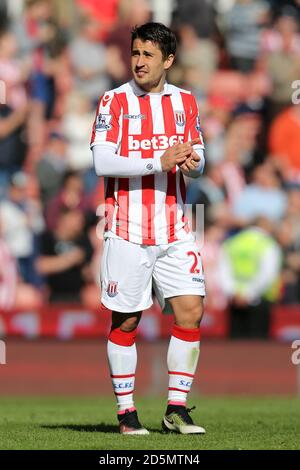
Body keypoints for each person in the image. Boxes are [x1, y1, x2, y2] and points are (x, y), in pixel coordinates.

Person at [91, 22, 206, 435]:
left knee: (191, 310)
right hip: (126, 225)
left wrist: (193, 162)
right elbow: (102, 163)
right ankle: (126, 414)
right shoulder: (114, 101)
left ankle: (176, 410)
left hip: (175, 224)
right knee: (127, 321)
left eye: (148, 55)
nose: (138, 62)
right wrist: (158, 161)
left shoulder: (186, 101)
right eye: (135, 53)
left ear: (168, 60)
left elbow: (199, 155)